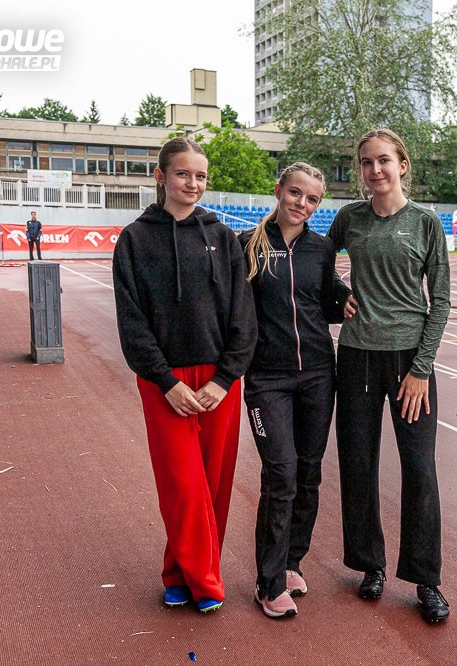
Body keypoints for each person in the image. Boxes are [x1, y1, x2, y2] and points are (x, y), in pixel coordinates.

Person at [112, 137, 256, 614]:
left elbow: (243, 315)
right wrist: (166, 382)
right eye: (182, 174)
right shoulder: (135, 239)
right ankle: (207, 582)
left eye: (200, 176)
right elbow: (132, 321)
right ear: (161, 176)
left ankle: (178, 574)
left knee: (213, 484)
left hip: (218, 378)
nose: (192, 183)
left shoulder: (223, 237)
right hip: (164, 381)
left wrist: (225, 378)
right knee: (183, 484)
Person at [327, 128, 452, 624]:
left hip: (409, 365)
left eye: (383, 160)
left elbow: (440, 300)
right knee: (358, 464)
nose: (374, 170)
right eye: (366, 162)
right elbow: (317, 264)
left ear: (402, 165)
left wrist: (421, 369)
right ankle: (369, 564)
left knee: (419, 470)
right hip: (356, 356)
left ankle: (426, 579)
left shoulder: (424, 222)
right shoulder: (349, 218)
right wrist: (340, 295)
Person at [238, 163, 350, 619]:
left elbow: (326, 297)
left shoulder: (321, 249)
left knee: (308, 472)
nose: (302, 204)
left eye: (312, 199)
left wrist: (345, 299)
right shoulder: (247, 244)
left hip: (319, 374)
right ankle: (268, 583)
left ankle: (291, 562)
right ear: (278, 190)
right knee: (280, 474)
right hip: (267, 380)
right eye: (295, 193)